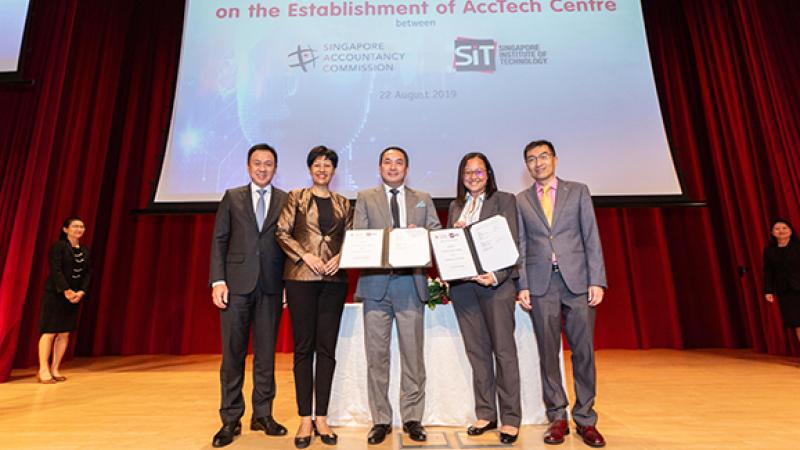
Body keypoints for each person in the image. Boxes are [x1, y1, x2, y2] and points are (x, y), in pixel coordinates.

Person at [516, 140, 607, 448]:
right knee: (548, 352)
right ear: (527, 166)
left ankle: (586, 418)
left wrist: (597, 280)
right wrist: (523, 284)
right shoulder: (521, 200)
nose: (538, 163)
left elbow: (591, 236)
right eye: (531, 159)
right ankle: (557, 417)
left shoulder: (578, 191)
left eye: (543, 156)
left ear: (554, 159)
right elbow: (521, 245)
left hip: (578, 282)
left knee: (583, 351)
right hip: (541, 284)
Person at [353, 146, 441, 445]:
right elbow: (359, 236)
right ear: (380, 168)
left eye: (399, 162)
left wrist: (419, 236)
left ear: (407, 168)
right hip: (375, 285)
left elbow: (436, 234)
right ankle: (380, 420)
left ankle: (412, 418)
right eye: (387, 162)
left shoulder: (423, 198)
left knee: (413, 356)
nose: (393, 167)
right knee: (376, 358)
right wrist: (391, 239)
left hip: (410, 285)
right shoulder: (365, 198)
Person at [209, 143, 289, 448]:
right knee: (233, 354)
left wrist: (287, 284)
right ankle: (230, 419)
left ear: (275, 168)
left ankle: (263, 414)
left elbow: (289, 245)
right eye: (258, 163)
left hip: (271, 286)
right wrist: (218, 281)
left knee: (266, 355)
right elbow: (219, 240)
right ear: (248, 166)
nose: (263, 168)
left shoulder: (285, 200)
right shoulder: (232, 197)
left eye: (268, 163)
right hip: (236, 286)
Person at [276, 146, 352, 448]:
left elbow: (352, 238)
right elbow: (282, 232)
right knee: (304, 348)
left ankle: (322, 416)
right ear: (310, 169)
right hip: (300, 280)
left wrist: (341, 258)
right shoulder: (296, 197)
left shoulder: (344, 202)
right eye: (317, 165)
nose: (322, 169)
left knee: (327, 349)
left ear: (334, 170)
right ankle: (304, 417)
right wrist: (305, 255)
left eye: (327, 165)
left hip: (334, 281)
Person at [447, 153, 522, 444]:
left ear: (488, 174)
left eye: (479, 171)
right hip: (464, 288)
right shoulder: (456, 206)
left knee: (503, 351)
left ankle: (511, 418)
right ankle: (486, 413)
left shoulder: (505, 200)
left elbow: (512, 241)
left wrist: (497, 275)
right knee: (477, 353)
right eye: (468, 172)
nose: (473, 177)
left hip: (495, 286)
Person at [37, 216, 91, 384]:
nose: (79, 229)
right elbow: (56, 270)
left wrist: (81, 292)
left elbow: (88, 273)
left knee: (64, 333)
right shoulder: (59, 246)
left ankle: (55, 368)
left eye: (81, 226)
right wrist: (66, 290)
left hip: (74, 296)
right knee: (50, 332)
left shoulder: (85, 250)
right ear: (65, 229)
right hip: (56, 293)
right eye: (75, 226)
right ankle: (43, 369)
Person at [763, 218, 800, 344]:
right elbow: (768, 271)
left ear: (791, 231)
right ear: (772, 232)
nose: (781, 231)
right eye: (777, 229)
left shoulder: (798, 247)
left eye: (784, 228)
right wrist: (768, 290)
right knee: (797, 322)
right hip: (785, 291)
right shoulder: (769, 250)